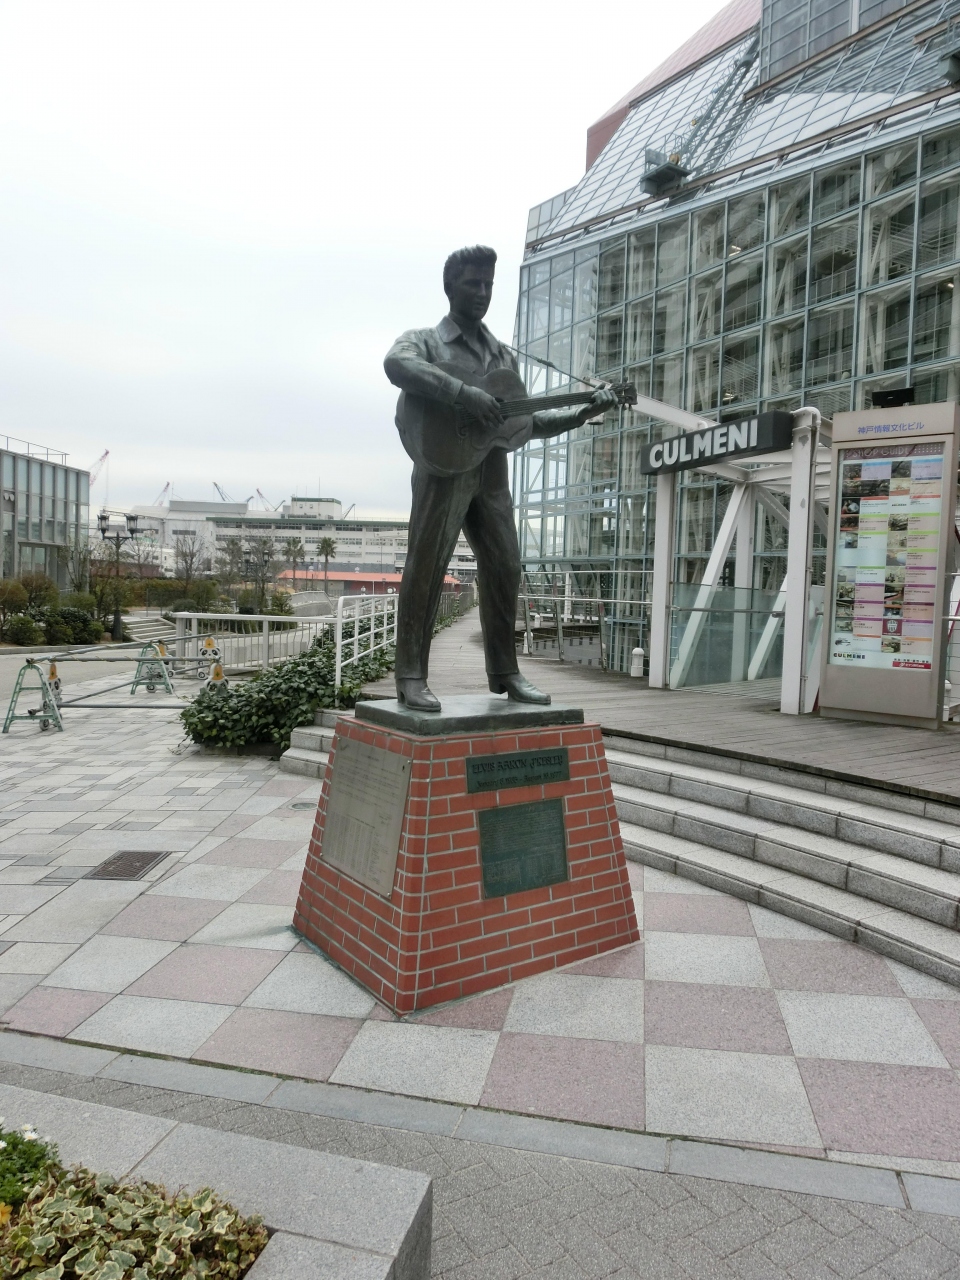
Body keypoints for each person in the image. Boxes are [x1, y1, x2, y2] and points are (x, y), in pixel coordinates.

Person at [384, 245, 616, 712]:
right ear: (450, 286)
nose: (483, 292)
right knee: (426, 567)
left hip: (491, 476)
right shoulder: (426, 341)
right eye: (473, 283)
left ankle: (505, 671)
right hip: (442, 471)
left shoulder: (502, 356)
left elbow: (523, 424)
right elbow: (396, 365)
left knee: (506, 566)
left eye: (489, 284)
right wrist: (462, 393)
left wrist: (581, 414)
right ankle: (410, 675)